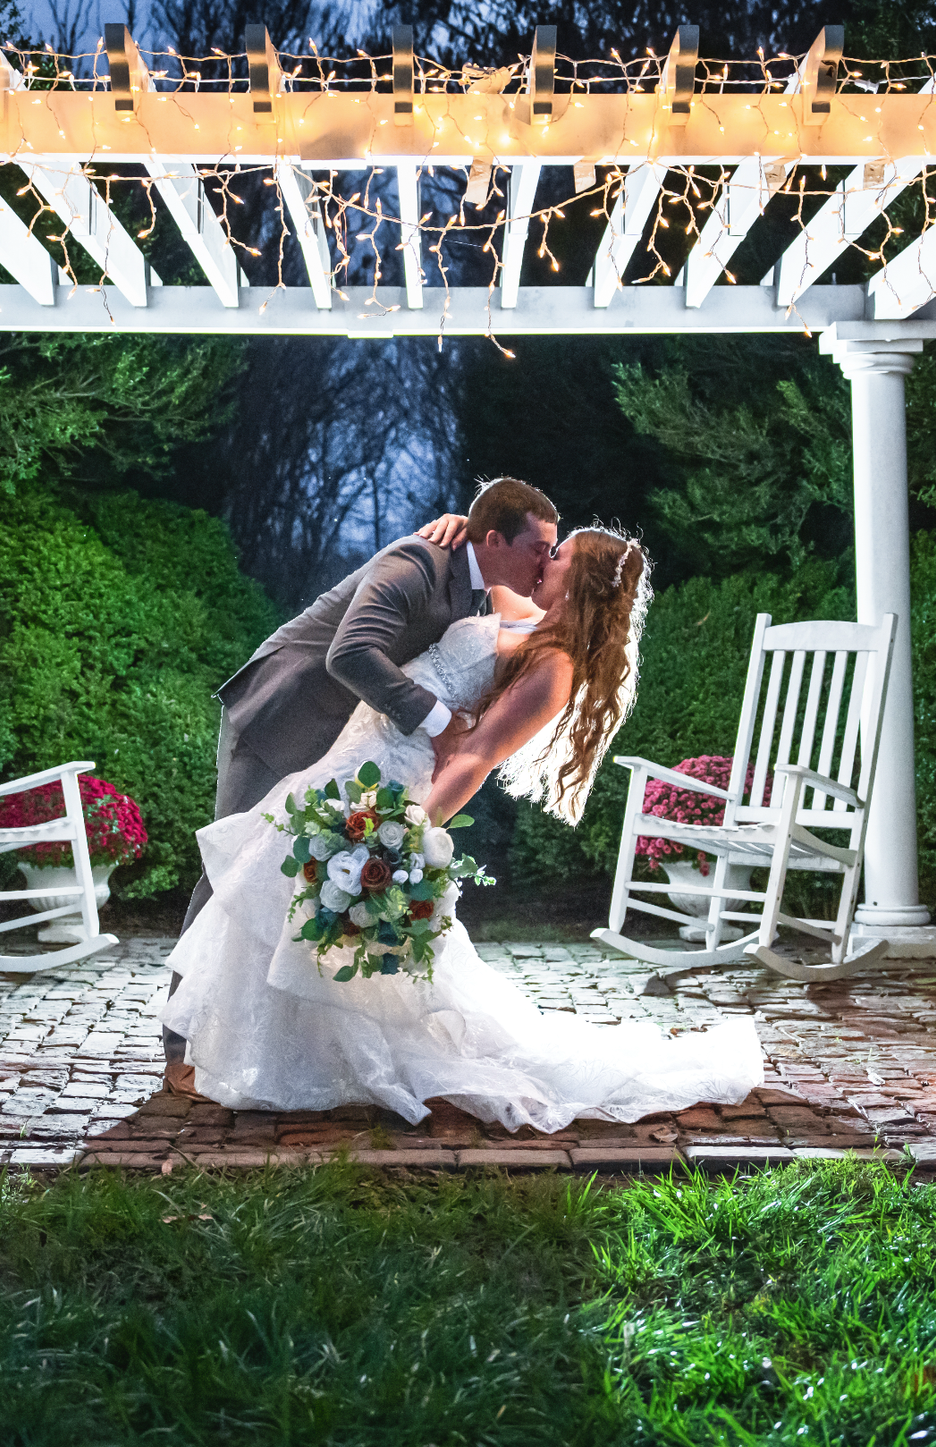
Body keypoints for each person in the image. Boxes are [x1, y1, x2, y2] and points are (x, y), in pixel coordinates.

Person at [163, 525, 763, 1133]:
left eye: (559, 556)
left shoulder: (554, 668)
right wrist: (463, 523)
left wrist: (406, 835)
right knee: (268, 887)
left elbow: (475, 757)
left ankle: (286, 1061)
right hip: (350, 754)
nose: (546, 560)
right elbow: (494, 555)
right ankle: (251, 1055)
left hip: (390, 779)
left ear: (579, 580)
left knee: (289, 889)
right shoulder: (524, 614)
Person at [161, 478, 562, 1080]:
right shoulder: (417, 562)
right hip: (285, 718)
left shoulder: (484, 587)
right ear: (496, 539)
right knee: (233, 874)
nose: (545, 561)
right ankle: (180, 1051)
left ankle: (275, 1048)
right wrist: (440, 720)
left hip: (352, 747)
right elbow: (348, 653)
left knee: (293, 887)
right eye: (538, 547)